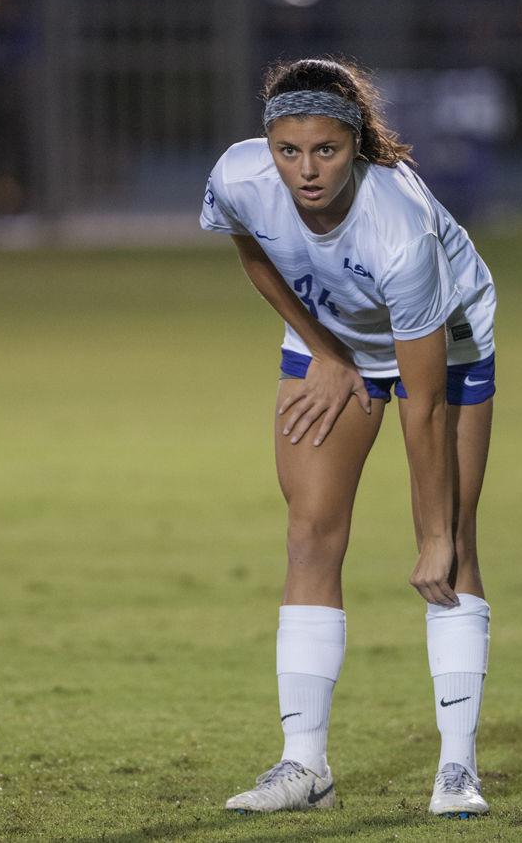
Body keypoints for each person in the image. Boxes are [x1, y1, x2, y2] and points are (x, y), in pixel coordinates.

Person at [200, 57, 496, 818]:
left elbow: (421, 401)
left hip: (443, 338)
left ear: (356, 143)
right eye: (288, 150)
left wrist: (430, 533)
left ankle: (457, 768)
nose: (304, 170)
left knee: (454, 543)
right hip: (331, 331)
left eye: (325, 151)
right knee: (309, 533)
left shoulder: (398, 225)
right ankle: (305, 767)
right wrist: (325, 352)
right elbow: (254, 250)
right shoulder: (240, 176)